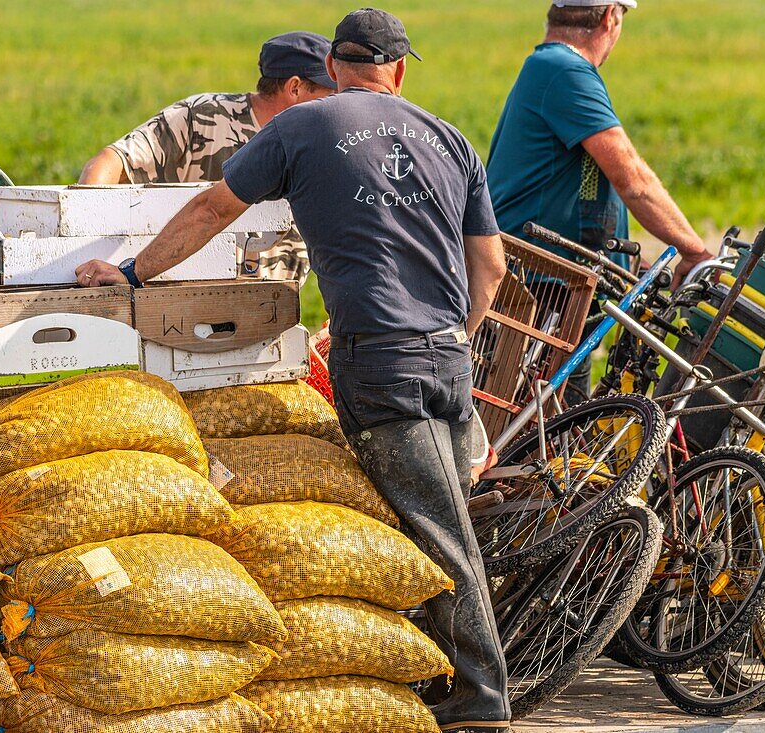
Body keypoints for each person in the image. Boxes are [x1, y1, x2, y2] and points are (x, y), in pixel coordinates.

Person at [75, 8, 512, 732]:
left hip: (380, 357)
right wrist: (456, 337)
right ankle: (438, 672)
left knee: (435, 531)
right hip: (447, 357)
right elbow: (490, 266)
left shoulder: (300, 127)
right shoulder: (451, 138)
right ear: (398, 72)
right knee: (427, 518)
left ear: (332, 70)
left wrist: (131, 273)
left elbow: (214, 209)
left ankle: (483, 698)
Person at [487, 0, 712, 403]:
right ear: (610, 16)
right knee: (547, 420)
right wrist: (695, 251)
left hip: (564, 279)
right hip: (545, 281)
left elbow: (582, 183)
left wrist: (630, 263)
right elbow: (632, 179)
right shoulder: (564, 71)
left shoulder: (550, 67)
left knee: (561, 416)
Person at [77, 31, 337, 282]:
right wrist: (82, 242)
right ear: (295, 88)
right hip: (189, 301)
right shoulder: (202, 117)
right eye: (331, 94)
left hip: (275, 307)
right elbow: (110, 163)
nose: (339, 105)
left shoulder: (324, 140)